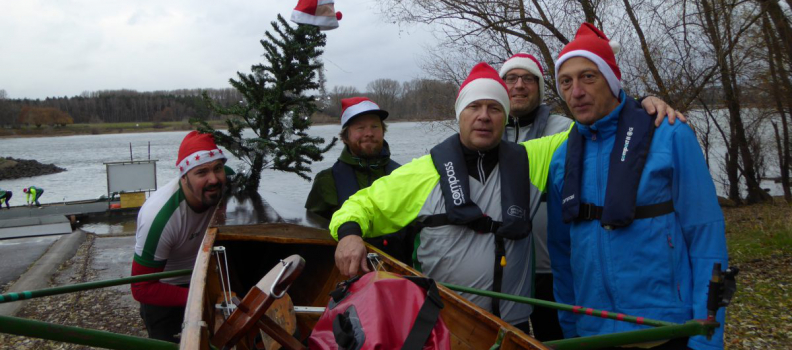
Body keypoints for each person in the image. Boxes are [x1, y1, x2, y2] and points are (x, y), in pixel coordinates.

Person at [330, 62, 574, 331]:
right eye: (474, 107)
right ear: (459, 115)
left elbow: (590, 125)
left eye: (494, 108)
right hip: (445, 323)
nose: (484, 116)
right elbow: (360, 204)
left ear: (505, 117)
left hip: (511, 328)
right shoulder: (424, 171)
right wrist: (350, 235)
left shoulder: (531, 159)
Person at [546, 23, 728, 350]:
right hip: (592, 337)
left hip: (666, 332)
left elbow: (706, 237)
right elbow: (562, 257)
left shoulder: (670, 134)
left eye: (589, 76)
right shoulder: (561, 159)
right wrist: (571, 330)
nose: (577, 91)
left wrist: (708, 337)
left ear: (612, 81)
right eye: (566, 81)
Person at [499, 53, 685, 341]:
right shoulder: (489, 131)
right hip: (511, 271)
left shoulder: (567, 128)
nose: (519, 85)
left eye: (528, 79)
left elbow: (610, 124)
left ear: (541, 87)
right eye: (511, 78)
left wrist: (645, 103)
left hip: (555, 269)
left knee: (557, 338)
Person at [130, 131, 228, 343]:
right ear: (184, 176)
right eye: (201, 172)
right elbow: (141, 287)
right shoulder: (159, 218)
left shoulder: (224, 181)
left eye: (218, 168)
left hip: (206, 279)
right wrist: (200, 298)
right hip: (167, 291)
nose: (214, 179)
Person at [305, 97, 412, 263]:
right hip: (348, 274)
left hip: (400, 272)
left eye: (375, 127)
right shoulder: (326, 180)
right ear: (345, 136)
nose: (369, 133)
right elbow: (312, 234)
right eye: (360, 128)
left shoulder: (402, 175)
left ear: (383, 132)